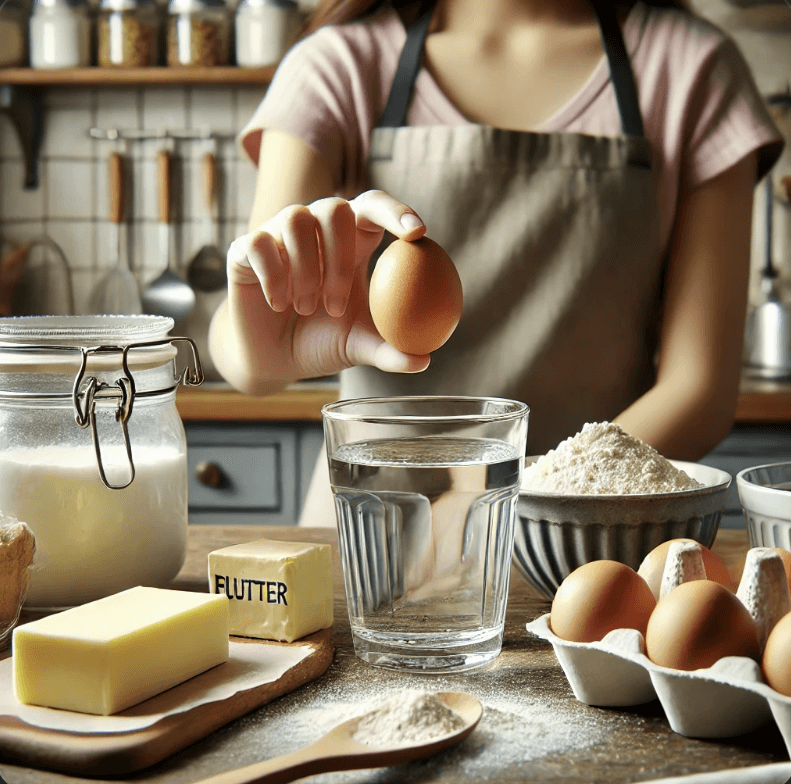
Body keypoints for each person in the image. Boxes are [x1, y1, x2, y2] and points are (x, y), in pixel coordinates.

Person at [209, 0, 784, 526]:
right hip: (363, 546)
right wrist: (263, 342)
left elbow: (699, 389)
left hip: (589, 544)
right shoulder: (339, 66)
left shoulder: (691, 69)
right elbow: (251, 360)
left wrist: (501, 508)